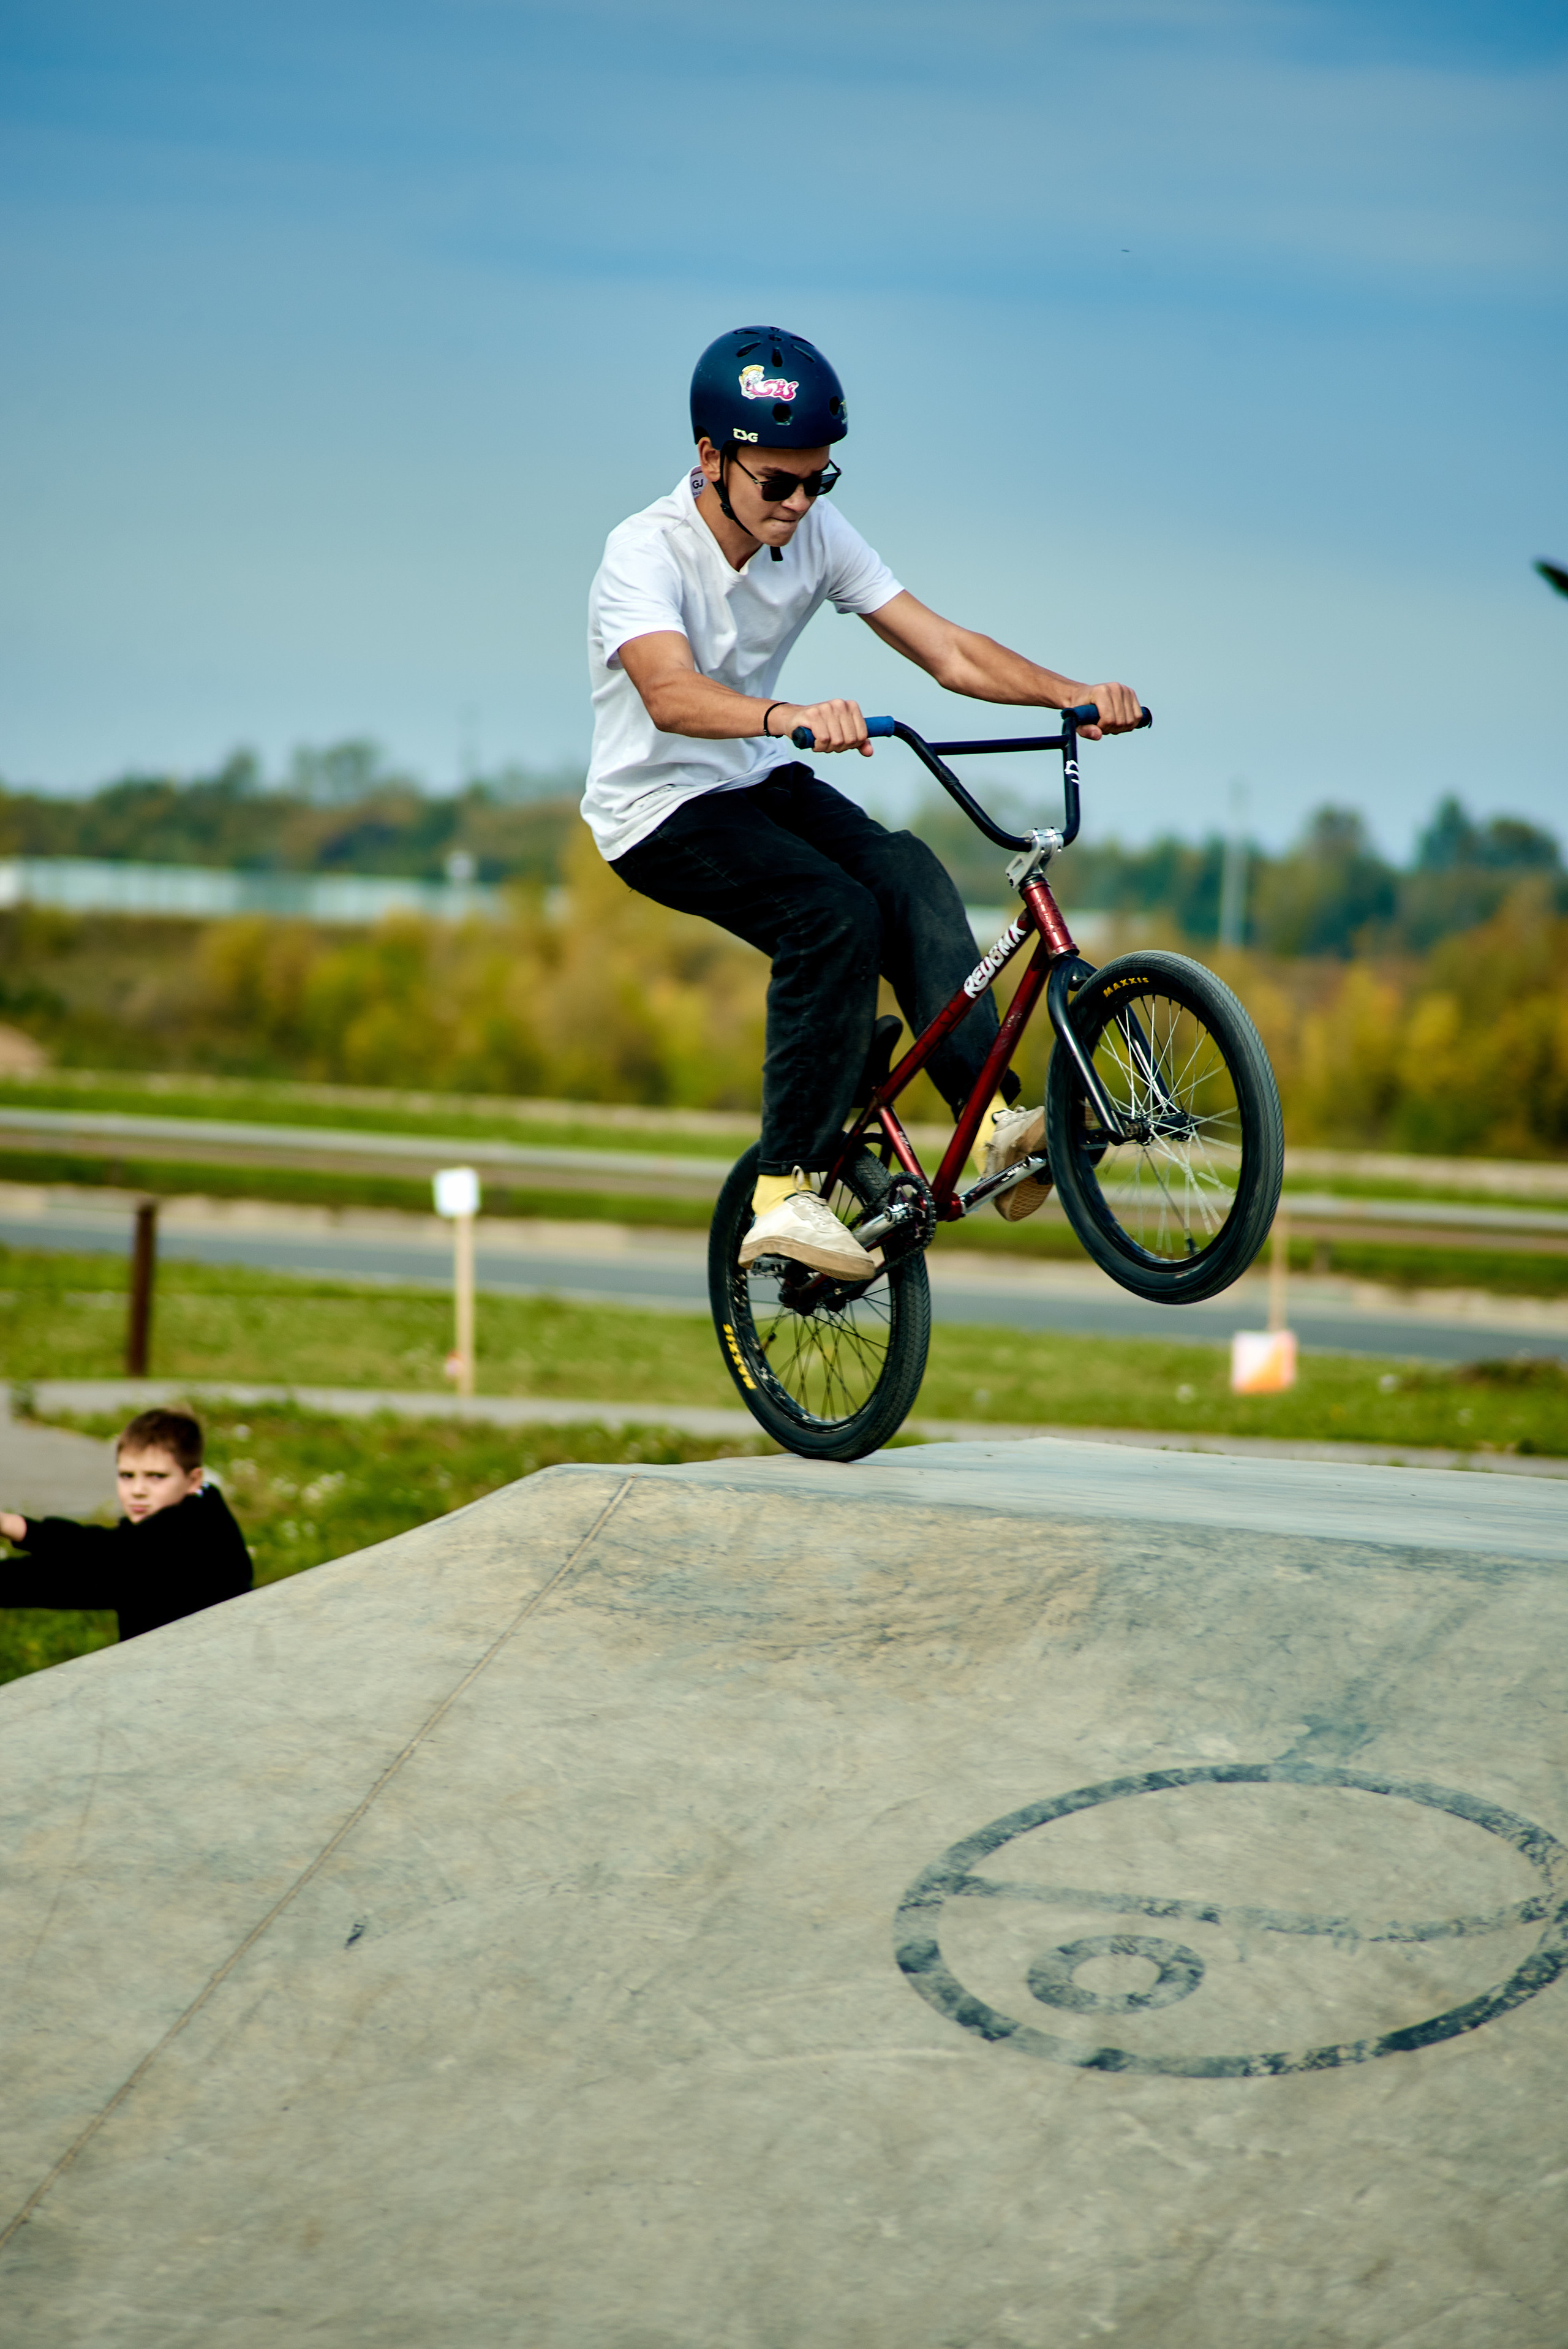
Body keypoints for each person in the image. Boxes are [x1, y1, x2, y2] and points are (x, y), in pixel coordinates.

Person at [586, 325, 1145, 1277]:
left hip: (758, 775)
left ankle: (1000, 1124)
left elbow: (948, 650)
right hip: (658, 809)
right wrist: (788, 713)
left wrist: (1071, 694)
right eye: (780, 483)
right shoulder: (643, 554)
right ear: (711, 459)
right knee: (831, 916)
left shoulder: (816, 535)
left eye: (820, 481)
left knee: (907, 873)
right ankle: (783, 1190)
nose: (801, 504)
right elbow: (669, 694)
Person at [0, 1406, 252, 1644]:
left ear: (193, 1479)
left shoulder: (189, 1537)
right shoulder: (203, 1506)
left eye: (156, 1476)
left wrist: (14, 1526)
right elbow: (110, 1550)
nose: (138, 1491)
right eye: (127, 1475)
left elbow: (96, 1564)